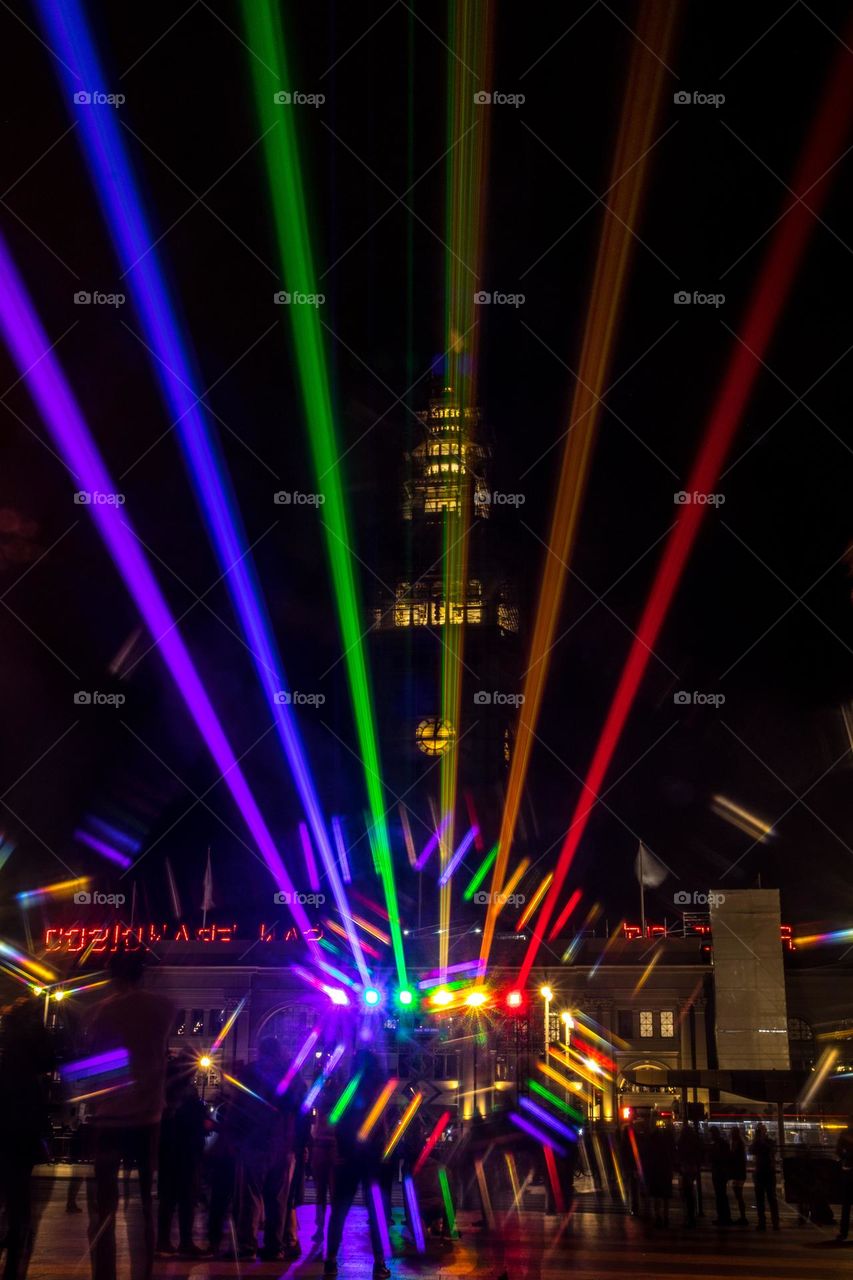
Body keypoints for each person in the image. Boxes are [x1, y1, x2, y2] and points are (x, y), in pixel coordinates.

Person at [85, 949, 175, 1280]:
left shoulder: (100, 1012)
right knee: (144, 1205)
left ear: (113, 977)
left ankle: (104, 1273)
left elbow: (93, 1063)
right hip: (148, 1116)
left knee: (103, 1206)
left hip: (109, 1116)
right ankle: (144, 1272)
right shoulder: (164, 1008)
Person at [227, 1037, 300, 1262]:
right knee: (277, 1198)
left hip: (255, 1141)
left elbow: (237, 1106)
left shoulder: (251, 1072)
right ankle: (274, 1246)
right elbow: (299, 1108)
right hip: (282, 1142)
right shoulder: (290, 1075)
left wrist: (234, 1137)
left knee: (250, 1195)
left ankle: (247, 1246)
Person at [0, 999, 55, 1280]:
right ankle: (15, 1253)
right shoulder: (32, 1071)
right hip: (22, 1131)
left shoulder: (6, 1054)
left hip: (7, 1127)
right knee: (19, 1194)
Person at [324, 1050, 391, 1280]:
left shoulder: (348, 1089)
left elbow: (337, 1120)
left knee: (339, 1211)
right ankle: (379, 1263)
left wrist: (341, 1149)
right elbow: (382, 1126)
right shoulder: (377, 1091)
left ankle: (331, 1260)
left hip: (348, 1157)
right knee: (376, 1213)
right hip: (371, 1158)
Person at [156, 1060, 206, 1257]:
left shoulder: (166, 1093)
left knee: (169, 1200)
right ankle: (184, 1242)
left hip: (170, 1151)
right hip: (185, 1151)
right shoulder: (186, 1094)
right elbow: (194, 1120)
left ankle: (164, 1241)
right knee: (186, 1199)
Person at [311, 1093, 337, 1245]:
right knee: (333, 1194)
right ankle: (331, 1229)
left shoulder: (320, 1102)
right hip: (332, 1149)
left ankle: (320, 1229)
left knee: (320, 1194)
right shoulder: (338, 1101)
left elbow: (314, 1128)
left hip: (321, 1148)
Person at [750, 1123, 780, 1231]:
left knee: (771, 1198)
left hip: (767, 1171)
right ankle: (762, 1222)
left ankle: (775, 1222)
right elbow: (751, 1150)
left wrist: (761, 1141)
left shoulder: (769, 1141)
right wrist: (757, 1140)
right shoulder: (757, 1142)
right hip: (761, 1172)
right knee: (760, 1199)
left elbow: (772, 1151)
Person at [646, 1121, 674, 1228]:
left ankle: (658, 1216)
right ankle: (666, 1217)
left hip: (656, 1171)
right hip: (665, 1170)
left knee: (657, 1196)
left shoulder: (652, 1141)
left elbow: (648, 1155)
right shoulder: (668, 1141)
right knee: (665, 1196)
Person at [677, 1122, 703, 1228]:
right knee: (690, 1193)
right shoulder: (695, 1140)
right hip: (692, 1168)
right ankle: (691, 1216)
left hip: (686, 1168)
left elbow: (679, 1153)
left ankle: (688, 1217)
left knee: (686, 1194)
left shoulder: (682, 1142)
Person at [709, 1129, 733, 1226]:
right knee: (721, 1195)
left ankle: (723, 1217)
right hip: (721, 1172)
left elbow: (718, 1158)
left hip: (719, 1172)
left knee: (720, 1195)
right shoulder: (722, 1143)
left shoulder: (718, 1145)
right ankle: (725, 1216)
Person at [836, 1116, 853, 1241]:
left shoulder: (844, 1134)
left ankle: (843, 1232)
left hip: (848, 1170)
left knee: (846, 1205)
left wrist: (845, 1158)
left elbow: (838, 1151)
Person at [728, 1127, 748, 1225]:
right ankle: (743, 1216)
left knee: (738, 1195)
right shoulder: (739, 1143)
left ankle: (743, 1217)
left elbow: (734, 1157)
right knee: (738, 1194)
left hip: (738, 1173)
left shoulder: (737, 1144)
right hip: (739, 1172)